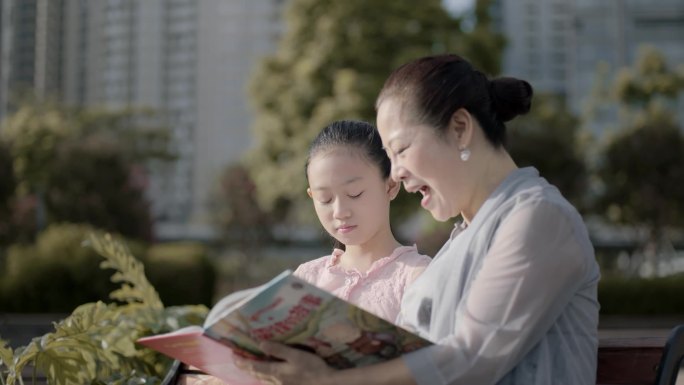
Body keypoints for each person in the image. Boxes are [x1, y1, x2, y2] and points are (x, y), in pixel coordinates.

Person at [240, 54, 601, 385]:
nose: (396, 173)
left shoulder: (538, 218)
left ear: (459, 128)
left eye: (400, 150)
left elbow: (472, 359)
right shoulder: (461, 242)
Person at [293, 119, 431, 323]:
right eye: (325, 199)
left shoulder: (417, 277)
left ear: (391, 185)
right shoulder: (305, 280)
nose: (339, 212)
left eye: (354, 194)